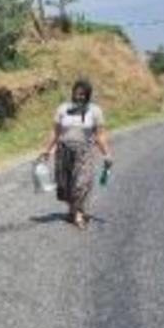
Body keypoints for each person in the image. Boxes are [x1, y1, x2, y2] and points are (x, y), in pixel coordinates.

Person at [38, 79, 113, 229]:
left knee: (82, 183)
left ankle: (78, 214)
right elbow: (55, 131)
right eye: (77, 94)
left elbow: (100, 135)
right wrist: (47, 150)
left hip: (84, 151)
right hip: (64, 149)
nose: (79, 97)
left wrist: (107, 154)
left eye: (83, 95)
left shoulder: (95, 111)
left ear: (88, 95)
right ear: (72, 93)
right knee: (65, 184)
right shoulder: (63, 109)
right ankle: (73, 209)